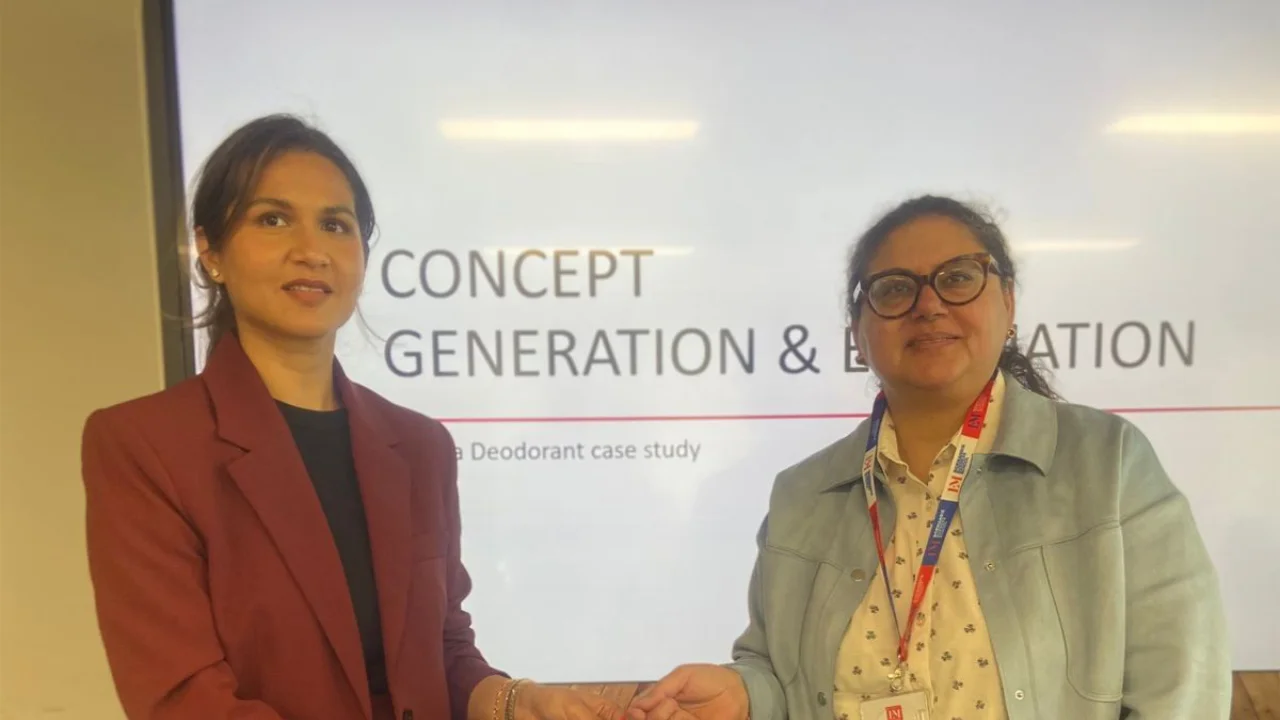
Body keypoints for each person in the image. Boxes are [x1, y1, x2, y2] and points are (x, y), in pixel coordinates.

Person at [80, 114, 622, 720]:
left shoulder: (420, 445)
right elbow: (182, 698)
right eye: (273, 219)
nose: (311, 251)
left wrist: (520, 702)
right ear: (210, 252)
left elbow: (445, 653)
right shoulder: (144, 445)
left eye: (335, 225)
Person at [629, 196, 1231, 720]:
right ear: (857, 333)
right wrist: (743, 694)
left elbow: (1182, 690)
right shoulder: (802, 495)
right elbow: (778, 673)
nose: (928, 305)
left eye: (958, 278)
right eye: (894, 288)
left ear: (1008, 303)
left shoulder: (1108, 463)